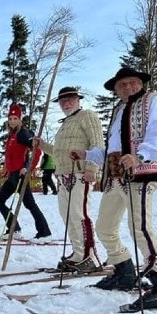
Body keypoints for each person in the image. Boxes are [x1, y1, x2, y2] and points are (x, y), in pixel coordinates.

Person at [71, 66, 157, 310]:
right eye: (122, 85)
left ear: (141, 83)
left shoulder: (154, 101)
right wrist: (88, 154)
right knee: (105, 227)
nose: (128, 87)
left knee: (140, 228)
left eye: (132, 83)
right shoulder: (119, 109)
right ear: (116, 90)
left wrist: (140, 156)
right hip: (116, 175)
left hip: (141, 172)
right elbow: (112, 146)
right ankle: (125, 272)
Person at [36, 86, 103, 272]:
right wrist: (42, 145)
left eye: (70, 99)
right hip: (62, 174)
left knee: (79, 215)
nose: (66, 103)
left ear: (78, 99)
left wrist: (92, 169)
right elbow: (58, 152)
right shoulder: (65, 123)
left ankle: (90, 256)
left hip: (80, 172)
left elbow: (97, 142)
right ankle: (78, 252)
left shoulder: (87, 116)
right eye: (63, 100)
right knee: (68, 216)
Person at [0, 102, 51, 239]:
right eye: (10, 118)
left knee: (29, 204)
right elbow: (11, 156)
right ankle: (15, 229)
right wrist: (6, 169)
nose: (13, 121)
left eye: (15, 118)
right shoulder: (11, 135)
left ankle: (44, 232)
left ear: (20, 119)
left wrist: (28, 168)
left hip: (20, 175)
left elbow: (37, 150)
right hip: (12, 176)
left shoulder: (23, 134)